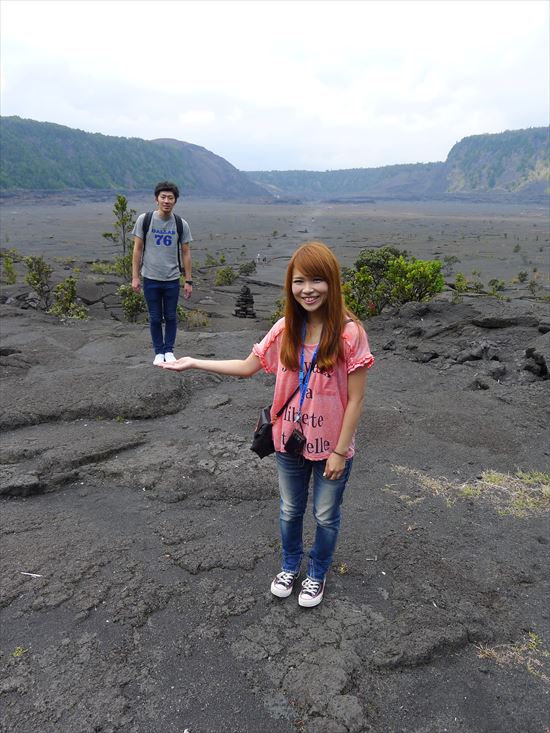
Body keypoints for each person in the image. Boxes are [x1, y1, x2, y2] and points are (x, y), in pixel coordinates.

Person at [160, 241, 374, 607]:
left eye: (318, 280)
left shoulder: (349, 334)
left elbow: (356, 398)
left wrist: (340, 451)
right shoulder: (285, 329)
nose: (308, 289)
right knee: (290, 509)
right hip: (288, 441)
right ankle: (290, 566)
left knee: (325, 514)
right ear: (290, 285)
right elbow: (247, 367)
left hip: (331, 448)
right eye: (300, 280)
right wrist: (195, 362)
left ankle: (317, 573)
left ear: (332, 283)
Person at [132, 181, 193, 366]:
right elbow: (137, 249)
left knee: (171, 316)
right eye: (163, 197)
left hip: (172, 278)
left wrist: (188, 280)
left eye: (170, 198)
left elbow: (186, 253)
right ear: (156, 199)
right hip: (150, 277)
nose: (166, 201)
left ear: (175, 201)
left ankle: (169, 350)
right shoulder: (145, 219)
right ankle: (158, 352)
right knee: (155, 317)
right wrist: (135, 277)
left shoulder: (181, 224)